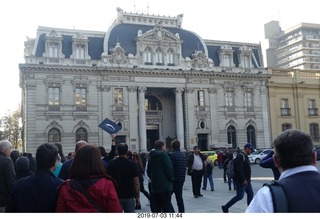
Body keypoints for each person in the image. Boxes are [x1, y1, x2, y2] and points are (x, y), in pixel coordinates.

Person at [246, 129, 320, 212]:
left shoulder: (267, 196)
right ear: (315, 157)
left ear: (275, 161)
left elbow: (262, 163)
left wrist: (272, 152)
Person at [56, 145, 122, 212]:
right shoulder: (107, 184)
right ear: (97, 161)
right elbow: (115, 210)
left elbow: (60, 211)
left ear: (76, 161)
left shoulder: (66, 187)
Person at [6, 143, 64, 212]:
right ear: (55, 162)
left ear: (36, 160)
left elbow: (10, 210)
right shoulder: (61, 186)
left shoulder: (20, 184)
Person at [107, 142, 140, 212]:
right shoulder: (132, 164)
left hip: (116, 195)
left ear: (117, 151)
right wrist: (137, 197)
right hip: (129, 195)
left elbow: (108, 180)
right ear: (127, 151)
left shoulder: (111, 163)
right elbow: (136, 182)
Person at [221, 143, 254, 213]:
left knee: (250, 194)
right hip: (241, 181)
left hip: (247, 180)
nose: (251, 151)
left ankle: (250, 210)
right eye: (250, 150)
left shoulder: (245, 156)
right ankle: (225, 207)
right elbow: (239, 169)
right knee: (239, 196)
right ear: (247, 149)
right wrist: (243, 180)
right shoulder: (240, 156)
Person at [147, 140, 174, 212]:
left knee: (157, 208)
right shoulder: (164, 155)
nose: (165, 147)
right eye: (164, 146)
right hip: (165, 186)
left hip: (155, 187)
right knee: (166, 208)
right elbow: (169, 169)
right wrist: (171, 179)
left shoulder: (151, 157)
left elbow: (148, 171)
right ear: (162, 147)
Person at [169, 139, 187, 213]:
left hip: (174, 180)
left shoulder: (171, 155)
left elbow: (170, 168)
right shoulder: (183, 155)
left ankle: (172, 212)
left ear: (172, 147)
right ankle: (182, 212)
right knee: (179, 198)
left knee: (166, 197)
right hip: (181, 179)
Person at [0, 140, 16, 212]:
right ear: (6, 150)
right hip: (4, 201)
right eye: (10, 149)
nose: (11, 151)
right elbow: (11, 181)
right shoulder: (7, 161)